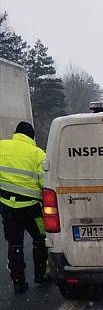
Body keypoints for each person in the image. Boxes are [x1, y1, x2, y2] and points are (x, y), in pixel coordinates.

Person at [0, 121, 49, 294]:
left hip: (7, 206)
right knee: (41, 239)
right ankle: (41, 274)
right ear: (32, 137)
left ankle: (19, 283)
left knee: (14, 245)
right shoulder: (37, 154)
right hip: (31, 208)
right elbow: (45, 183)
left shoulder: (2, 146)